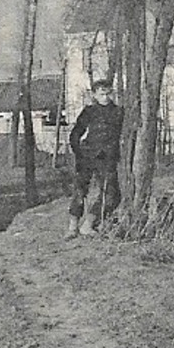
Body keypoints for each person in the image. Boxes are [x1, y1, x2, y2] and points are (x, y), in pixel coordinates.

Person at [66, 78, 123, 237]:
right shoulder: (89, 111)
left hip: (107, 158)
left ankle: (88, 224)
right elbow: (75, 134)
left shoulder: (118, 112)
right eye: (101, 94)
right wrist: (78, 153)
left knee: (113, 194)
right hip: (87, 156)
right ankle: (72, 227)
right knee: (80, 189)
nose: (105, 97)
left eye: (107, 93)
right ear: (95, 95)